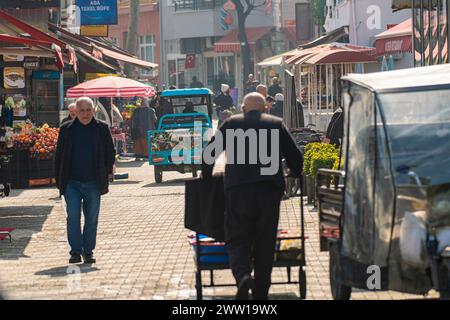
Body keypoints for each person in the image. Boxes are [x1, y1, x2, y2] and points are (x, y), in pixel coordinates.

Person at [202, 92, 303, 300]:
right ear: (266, 108)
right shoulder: (276, 124)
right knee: (265, 242)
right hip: (269, 193)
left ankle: (242, 276)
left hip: (237, 191)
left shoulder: (231, 124)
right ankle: (261, 294)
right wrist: (294, 172)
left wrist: (207, 178)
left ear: (243, 109)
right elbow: (295, 157)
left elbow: (209, 154)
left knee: (237, 237)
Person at [55, 97, 116, 264]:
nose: (85, 114)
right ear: (75, 112)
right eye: (81, 110)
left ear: (93, 110)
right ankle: (75, 251)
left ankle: (88, 251)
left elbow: (110, 152)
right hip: (71, 182)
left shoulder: (102, 128)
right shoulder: (66, 129)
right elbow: (58, 156)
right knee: (72, 217)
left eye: (88, 110)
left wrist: (108, 170)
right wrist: (59, 182)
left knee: (91, 218)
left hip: (94, 182)